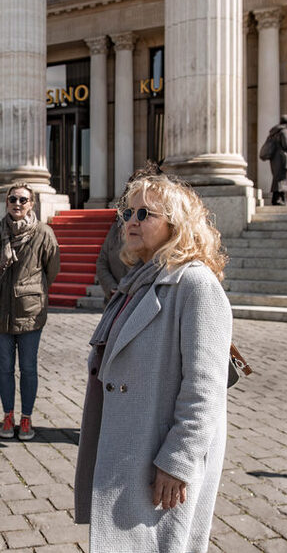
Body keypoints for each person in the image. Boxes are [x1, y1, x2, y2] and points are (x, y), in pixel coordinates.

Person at [73, 173, 232, 553]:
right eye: (128, 212)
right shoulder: (139, 280)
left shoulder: (195, 284)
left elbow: (205, 389)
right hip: (131, 447)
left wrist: (178, 461)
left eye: (145, 213)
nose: (131, 220)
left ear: (176, 225)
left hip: (159, 456)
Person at [0, 183, 60, 441]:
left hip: (30, 312)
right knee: (5, 367)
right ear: (7, 202)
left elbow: (52, 269)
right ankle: (8, 415)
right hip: (0, 310)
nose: (17, 204)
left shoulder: (43, 233)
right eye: (13, 199)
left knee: (28, 367)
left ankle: (26, 418)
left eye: (23, 200)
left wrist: (33, 291)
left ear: (32, 204)